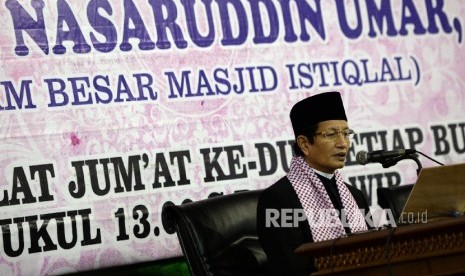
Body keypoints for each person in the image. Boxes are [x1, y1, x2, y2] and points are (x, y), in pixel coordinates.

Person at [256, 91, 371, 275]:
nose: (343, 143)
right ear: (304, 144)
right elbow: (290, 269)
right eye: (331, 134)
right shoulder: (278, 200)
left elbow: (375, 255)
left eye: (346, 133)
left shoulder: (356, 197)